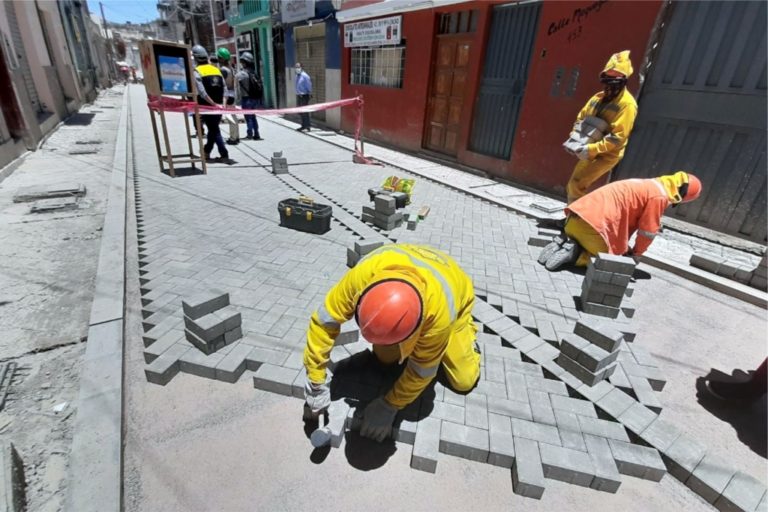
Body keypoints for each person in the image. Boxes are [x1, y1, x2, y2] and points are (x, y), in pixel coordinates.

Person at [303, 244, 481, 442]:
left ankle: (466, 329)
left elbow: (422, 371)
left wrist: (390, 405)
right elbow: (322, 323)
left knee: (464, 380)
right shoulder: (362, 277)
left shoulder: (438, 318)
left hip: (453, 287)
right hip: (406, 258)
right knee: (384, 360)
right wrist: (316, 381)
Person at [539, 171, 702, 271]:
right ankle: (576, 254)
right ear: (682, 198)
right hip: (593, 230)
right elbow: (647, 232)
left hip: (573, 220)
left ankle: (564, 242)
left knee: (621, 248)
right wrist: (635, 256)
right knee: (614, 262)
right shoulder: (659, 196)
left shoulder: (645, 184)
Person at [565, 50, 638, 203]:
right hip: (589, 149)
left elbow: (617, 138)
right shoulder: (597, 98)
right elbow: (581, 117)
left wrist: (590, 149)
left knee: (577, 184)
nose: (609, 86)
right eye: (607, 79)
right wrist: (575, 138)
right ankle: (573, 218)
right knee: (573, 185)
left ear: (623, 80)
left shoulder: (627, 105)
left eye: (614, 79)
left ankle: (577, 221)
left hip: (607, 155)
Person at [191, 45, 233, 164]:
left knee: (214, 129)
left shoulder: (197, 71)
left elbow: (202, 92)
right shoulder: (216, 70)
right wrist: (222, 105)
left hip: (207, 107)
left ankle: (223, 153)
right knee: (213, 129)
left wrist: (213, 104)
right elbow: (225, 89)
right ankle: (206, 151)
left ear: (195, 58)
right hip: (219, 106)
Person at [236, 52, 263, 141]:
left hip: (246, 99)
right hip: (255, 99)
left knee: (248, 118)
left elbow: (234, 79)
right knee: (253, 116)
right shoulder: (254, 73)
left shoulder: (242, 74)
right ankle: (257, 133)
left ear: (244, 62)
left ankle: (249, 134)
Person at [216, 47, 239, 145]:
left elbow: (220, 84)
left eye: (218, 57)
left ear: (221, 58)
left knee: (230, 117)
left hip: (227, 96)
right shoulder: (231, 69)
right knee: (233, 116)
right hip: (232, 94)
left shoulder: (223, 70)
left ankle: (233, 138)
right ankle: (235, 136)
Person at [294, 62, 312, 132]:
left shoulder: (305, 76)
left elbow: (309, 85)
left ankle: (306, 126)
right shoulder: (297, 76)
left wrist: (309, 93)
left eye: (298, 67)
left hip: (304, 96)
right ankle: (304, 125)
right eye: (296, 67)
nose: (297, 68)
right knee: (301, 112)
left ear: (301, 67)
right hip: (299, 95)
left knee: (304, 111)